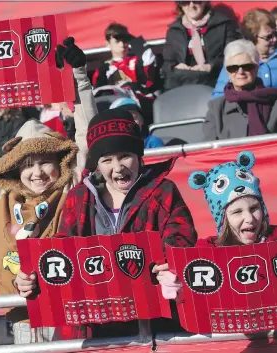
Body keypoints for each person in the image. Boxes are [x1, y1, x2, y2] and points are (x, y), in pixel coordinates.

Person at [0, 38, 97, 343]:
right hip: (23, 315)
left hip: (71, 309)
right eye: (28, 164)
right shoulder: (2, 194)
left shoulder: (72, 187)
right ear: (16, 168)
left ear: (60, 162)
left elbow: (88, 135)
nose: (37, 172)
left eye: (45, 162)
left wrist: (80, 77)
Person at [17, 108, 198, 338]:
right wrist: (30, 279)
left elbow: (182, 237)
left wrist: (171, 266)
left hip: (155, 323)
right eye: (107, 160)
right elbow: (61, 252)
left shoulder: (163, 191)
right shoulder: (79, 197)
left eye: (125, 156)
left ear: (138, 155)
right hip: (95, 325)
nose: (118, 167)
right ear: (97, 164)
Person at [159, 151, 277, 299]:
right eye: (237, 212)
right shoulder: (206, 252)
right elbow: (191, 286)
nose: (249, 218)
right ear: (222, 219)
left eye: (254, 208)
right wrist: (177, 283)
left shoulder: (274, 239)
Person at [203, 39, 277, 141]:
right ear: (227, 72)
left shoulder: (274, 102)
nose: (240, 72)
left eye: (247, 66)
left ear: (256, 68)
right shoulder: (216, 108)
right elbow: (209, 149)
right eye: (233, 68)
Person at [92, 22, 161, 125]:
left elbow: (149, 68)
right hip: (115, 110)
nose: (122, 44)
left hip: (142, 107)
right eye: (117, 41)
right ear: (107, 44)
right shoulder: (103, 70)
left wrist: (132, 38)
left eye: (124, 40)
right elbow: (98, 95)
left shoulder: (138, 59)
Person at [162, 1, 239, 91]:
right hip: (183, 83)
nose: (191, 5)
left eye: (196, 0)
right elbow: (167, 64)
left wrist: (211, 66)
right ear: (180, 4)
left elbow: (235, 57)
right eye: (185, 1)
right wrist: (176, 67)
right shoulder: (174, 30)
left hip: (215, 81)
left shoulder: (223, 25)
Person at [212, 9, 277, 98]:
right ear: (253, 37)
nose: (274, 39)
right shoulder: (235, 59)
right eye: (268, 37)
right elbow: (219, 96)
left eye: (275, 34)